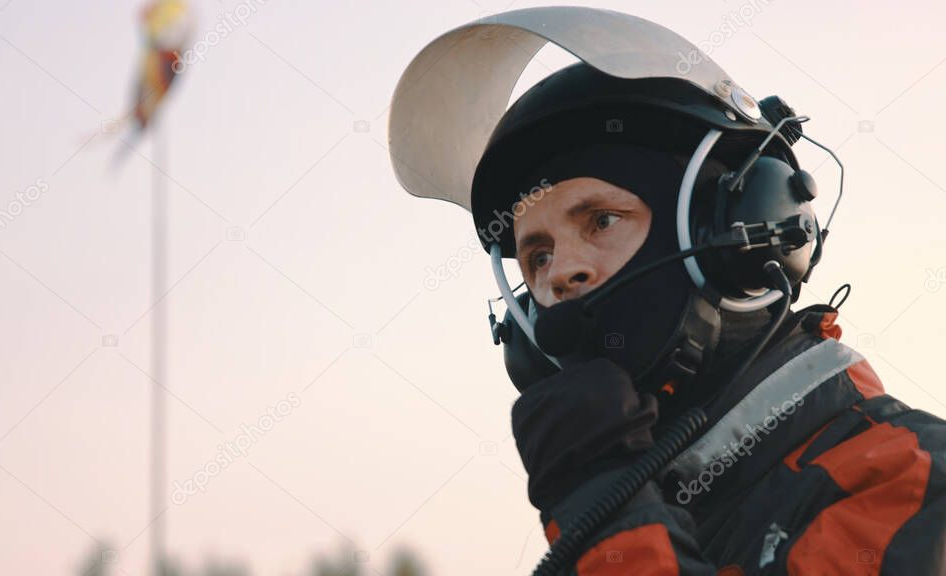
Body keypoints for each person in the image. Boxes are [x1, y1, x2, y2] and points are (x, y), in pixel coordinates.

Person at [388, 7, 946, 575]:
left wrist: (610, 521)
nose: (558, 277)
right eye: (537, 256)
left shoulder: (913, 480)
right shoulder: (647, 504)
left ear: (735, 234)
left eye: (601, 220)